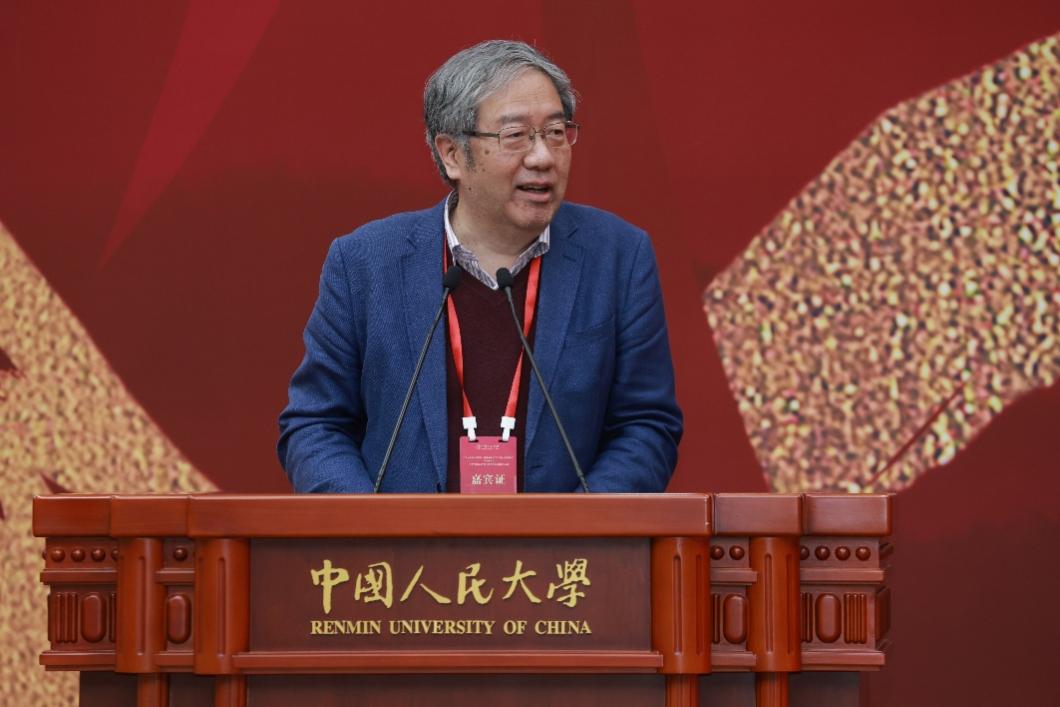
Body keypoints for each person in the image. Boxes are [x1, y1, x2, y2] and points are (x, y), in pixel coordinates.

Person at [278, 40, 682, 493]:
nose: (543, 157)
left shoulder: (618, 257)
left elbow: (646, 426)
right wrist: (370, 524)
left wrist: (579, 525)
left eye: (556, 132)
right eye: (516, 136)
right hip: (403, 541)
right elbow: (315, 425)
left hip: (562, 540)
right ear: (452, 153)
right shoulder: (365, 263)